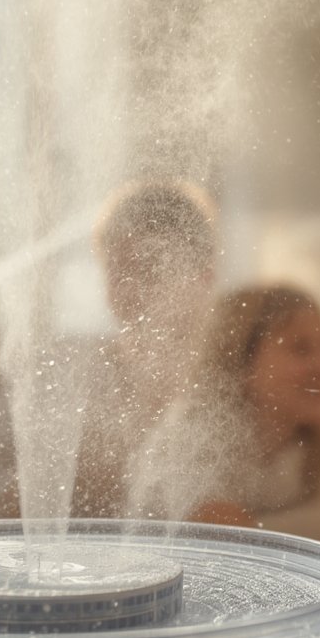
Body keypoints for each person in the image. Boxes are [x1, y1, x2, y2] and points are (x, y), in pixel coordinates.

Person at [127, 283, 320, 552]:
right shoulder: (191, 437)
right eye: (301, 349)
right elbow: (216, 541)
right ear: (241, 364)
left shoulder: (317, 444)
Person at [71, 179, 217, 517]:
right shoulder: (95, 377)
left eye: (149, 270)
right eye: (117, 272)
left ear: (204, 275)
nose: (129, 292)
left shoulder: (238, 365)